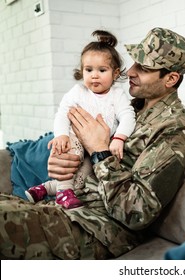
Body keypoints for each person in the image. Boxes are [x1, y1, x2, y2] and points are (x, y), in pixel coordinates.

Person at [0, 27, 185, 259]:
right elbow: (71, 132)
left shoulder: (174, 128)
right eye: (134, 62)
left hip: (98, 226)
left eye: (143, 68)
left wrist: (100, 152)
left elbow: (136, 213)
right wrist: (61, 163)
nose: (130, 71)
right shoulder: (129, 107)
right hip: (67, 202)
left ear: (171, 79)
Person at [24, 30, 136, 210]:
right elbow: (62, 113)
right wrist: (61, 135)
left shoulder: (117, 95)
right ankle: (62, 194)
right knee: (70, 156)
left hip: (97, 148)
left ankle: (46, 188)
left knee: (82, 179)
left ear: (115, 74)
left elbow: (128, 116)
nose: (94, 75)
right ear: (82, 70)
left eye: (102, 70)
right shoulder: (78, 92)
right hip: (76, 138)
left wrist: (119, 138)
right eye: (88, 70)